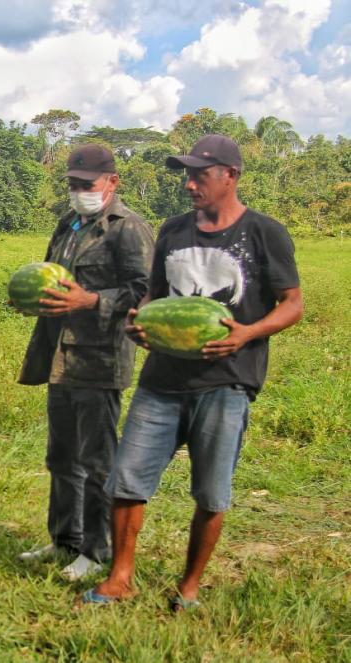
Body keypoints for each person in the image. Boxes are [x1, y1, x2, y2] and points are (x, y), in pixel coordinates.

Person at [86, 134, 303, 609]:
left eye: (200, 175)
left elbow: (292, 304)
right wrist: (138, 321)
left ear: (231, 175)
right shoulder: (173, 230)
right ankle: (120, 577)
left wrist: (247, 333)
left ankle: (188, 587)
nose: (189, 184)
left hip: (227, 381)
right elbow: (154, 296)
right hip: (161, 380)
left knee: (210, 490)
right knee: (126, 480)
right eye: (186, 175)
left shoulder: (265, 233)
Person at [16, 144, 153, 580]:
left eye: (86, 185)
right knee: (61, 457)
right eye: (73, 184)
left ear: (112, 182)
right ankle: (64, 540)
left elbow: (145, 291)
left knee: (96, 461)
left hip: (98, 359)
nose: (78, 192)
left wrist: (90, 299)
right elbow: (51, 276)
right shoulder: (68, 224)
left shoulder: (128, 229)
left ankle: (95, 552)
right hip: (59, 354)